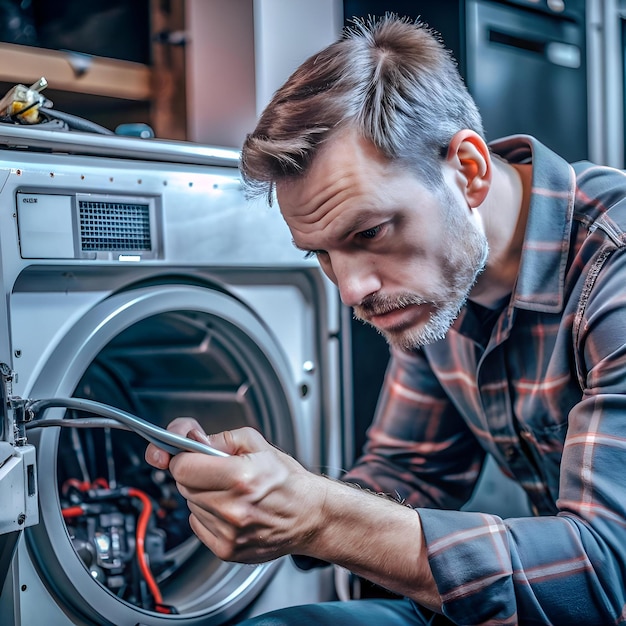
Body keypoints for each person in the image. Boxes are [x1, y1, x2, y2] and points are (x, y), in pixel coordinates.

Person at [145, 14, 626, 625]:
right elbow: (410, 476)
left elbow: (605, 573)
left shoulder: (613, 268)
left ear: (469, 171)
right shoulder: (437, 285)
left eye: (369, 232)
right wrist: (272, 489)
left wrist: (321, 516)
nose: (351, 290)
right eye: (321, 254)